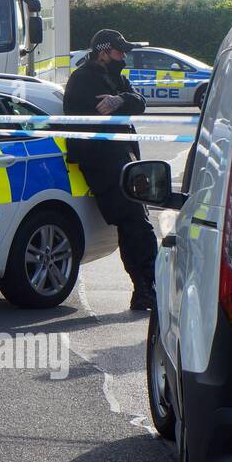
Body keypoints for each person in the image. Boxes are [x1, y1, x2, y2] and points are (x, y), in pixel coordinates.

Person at [64, 28, 158, 311]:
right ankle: (144, 287)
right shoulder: (83, 81)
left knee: (137, 223)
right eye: (120, 51)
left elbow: (139, 102)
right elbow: (105, 116)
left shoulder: (114, 77)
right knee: (135, 223)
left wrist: (122, 100)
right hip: (104, 163)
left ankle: (146, 287)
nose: (124, 56)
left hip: (123, 159)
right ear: (103, 52)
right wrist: (122, 102)